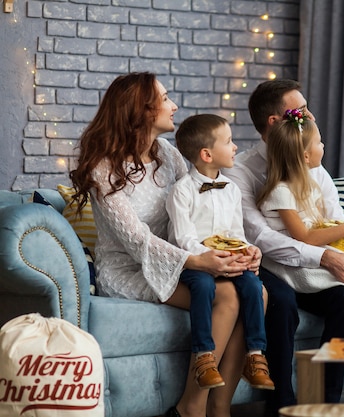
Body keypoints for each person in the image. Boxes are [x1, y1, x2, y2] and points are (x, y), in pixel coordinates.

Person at [69, 72, 252, 417]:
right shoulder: (102, 169)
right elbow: (137, 241)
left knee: (247, 292)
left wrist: (230, 249)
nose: (174, 105)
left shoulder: (168, 154)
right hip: (130, 268)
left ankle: (220, 407)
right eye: (166, 98)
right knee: (225, 297)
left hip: (179, 256)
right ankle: (191, 408)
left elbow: (193, 210)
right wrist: (199, 262)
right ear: (142, 111)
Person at [225, 79, 344, 415]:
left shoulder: (313, 168)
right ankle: (281, 403)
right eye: (302, 109)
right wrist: (328, 257)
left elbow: (337, 223)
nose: (310, 115)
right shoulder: (242, 172)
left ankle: (327, 403)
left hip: (311, 267)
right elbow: (263, 238)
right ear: (275, 121)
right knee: (279, 303)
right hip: (268, 266)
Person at [166, 113, 274, 390]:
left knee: (252, 285)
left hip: (227, 259)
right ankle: (204, 357)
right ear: (207, 154)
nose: (235, 146)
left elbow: (236, 233)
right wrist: (207, 258)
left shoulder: (232, 189)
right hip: (195, 264)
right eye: (228, 141)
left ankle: (255, 356)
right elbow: (183, 238)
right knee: (203, 285)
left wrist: (248, 250)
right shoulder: (181, 191)